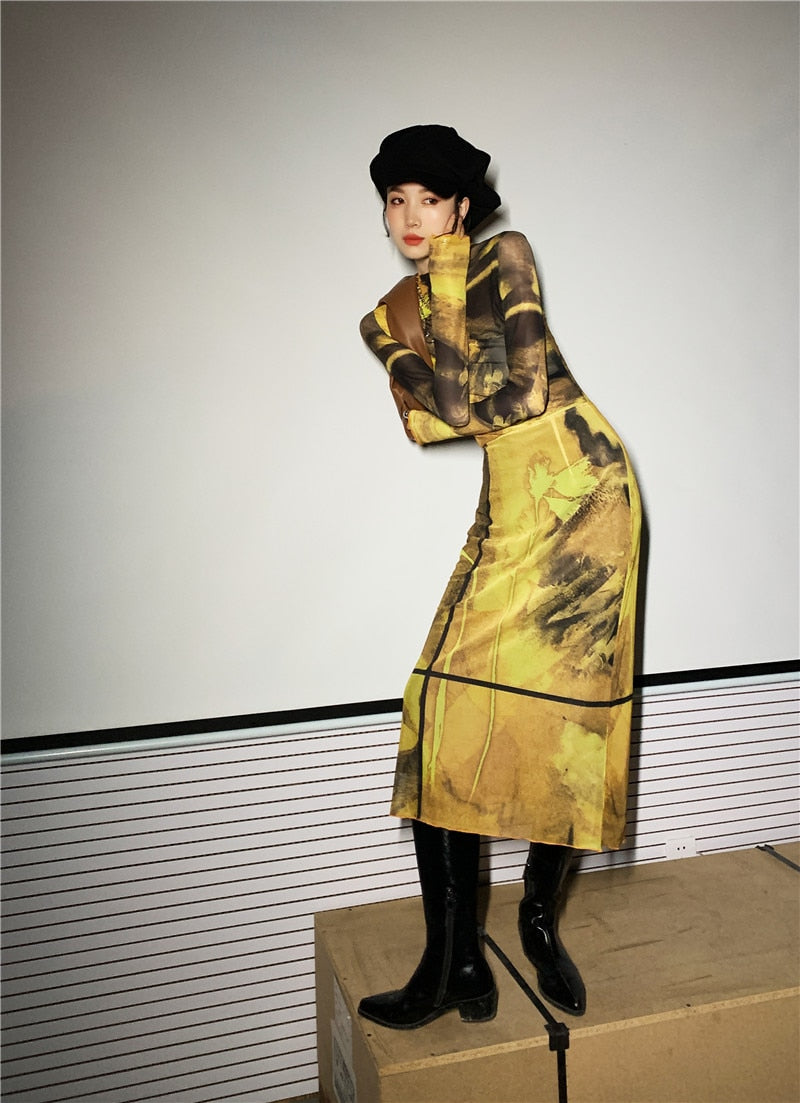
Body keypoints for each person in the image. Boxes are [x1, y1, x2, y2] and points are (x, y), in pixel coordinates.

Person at [358, 124, 641, 1030]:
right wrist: (433, 306)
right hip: (512, 504)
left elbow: (521, 395)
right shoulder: (388, 315)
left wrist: (444, 312)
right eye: (396, 198)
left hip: (587, 492)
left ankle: (537, 920)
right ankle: (456, 963)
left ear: (461, 206)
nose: (410, 215)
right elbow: (438, 420)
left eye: (429, 198)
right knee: (443, 713)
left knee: (567, 719)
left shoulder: (505, 254)